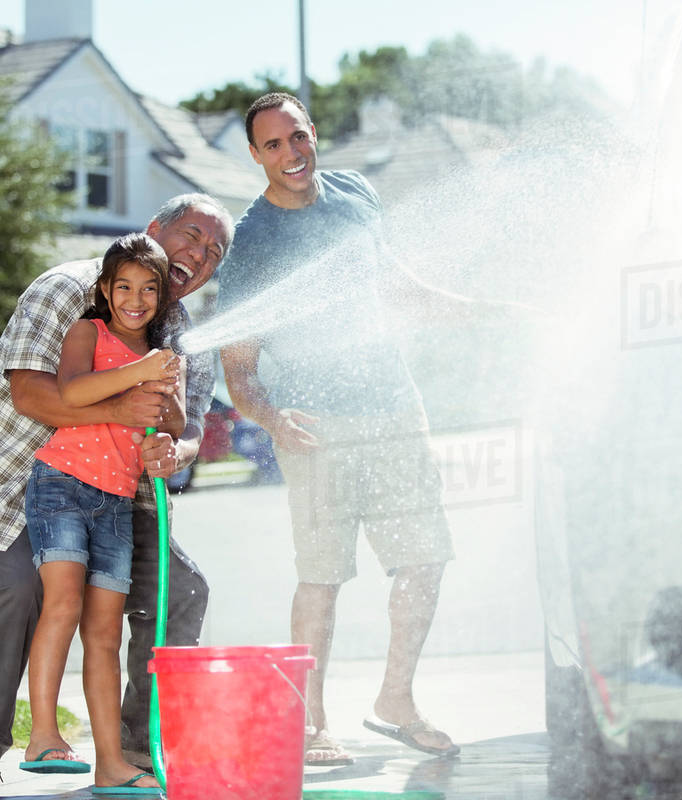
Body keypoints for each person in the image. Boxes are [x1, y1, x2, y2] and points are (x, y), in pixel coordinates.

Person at [0, 193, 233, 800]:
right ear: (154, 230)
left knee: (180, 590)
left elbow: (190, 428)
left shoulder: (183, 337)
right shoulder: (69, 289)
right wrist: (123, 405)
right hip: (10, 476)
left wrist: (177, 451)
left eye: (213, 252)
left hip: (112, 493)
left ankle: (132, 748)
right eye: (191, 235)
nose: (197, 255)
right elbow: (33, 396)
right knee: (20, 588)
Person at [218, 92, 461, 766]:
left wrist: (476, 311)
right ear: (255, 155)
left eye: (297, 137)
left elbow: (394, 284)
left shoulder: (356, 192)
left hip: (395, 409)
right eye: (273, 145)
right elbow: (237, 366)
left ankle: (396, 700)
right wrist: (269, 417)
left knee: (425, 559)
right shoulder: (253, 244)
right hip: (316, 429)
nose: (290, 154)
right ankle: (310, 723)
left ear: (313, 133)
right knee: (322, 577)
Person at [21, 233, 181, 792]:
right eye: (124, 287)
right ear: (105, 292)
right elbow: (72, 389)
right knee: (62, 604)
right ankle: (43, 735)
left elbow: (175, 422)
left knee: (106, 634)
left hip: (115, 501)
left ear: (162, 297)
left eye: (149, 289)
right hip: (61, 486)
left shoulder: (160, 358)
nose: (135, 299)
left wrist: (163, 425)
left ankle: (111, 763)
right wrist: (143, 372)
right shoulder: (88, 332)